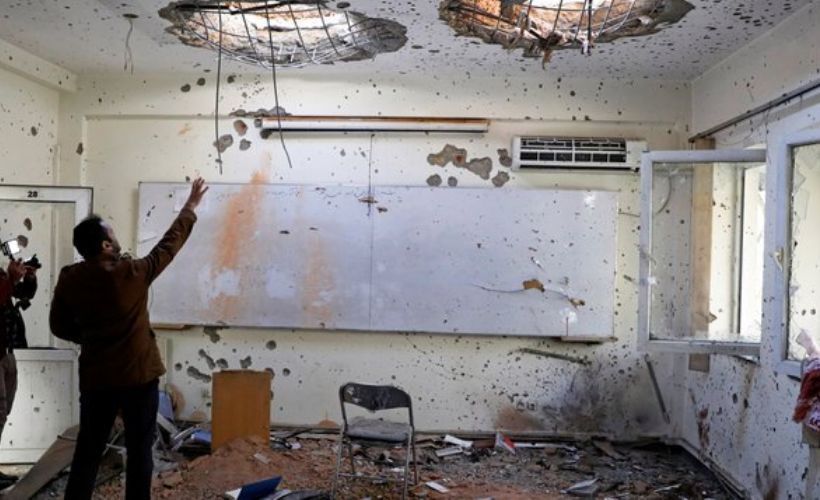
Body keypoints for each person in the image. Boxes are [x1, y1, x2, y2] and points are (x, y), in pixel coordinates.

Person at [50, 178, 208, 500]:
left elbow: (58, 326)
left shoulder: (70, 278)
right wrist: (190, 207)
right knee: (139, 451)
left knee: (88, 450)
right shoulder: (133, 273)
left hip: (96, 378)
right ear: (106, 246)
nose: (116, 237)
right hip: (138, 377)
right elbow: (169, 245)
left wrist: (90, 338)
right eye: (112, 234)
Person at [0, 258, 36, 488]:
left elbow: (22, 293)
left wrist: (28, 278)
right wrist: (12, 278)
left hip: (6, 350)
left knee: (4, 411)